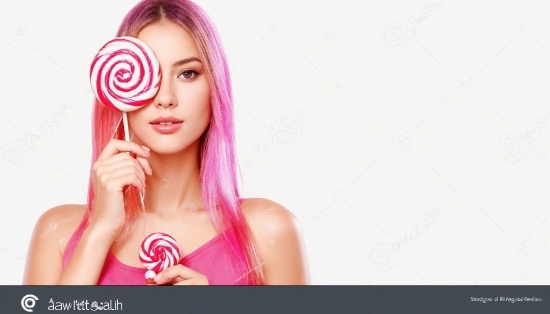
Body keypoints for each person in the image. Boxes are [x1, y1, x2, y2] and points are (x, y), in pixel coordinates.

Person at [23, 0, 309, 285]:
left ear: (215, 87)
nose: (166, 98)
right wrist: (100, 229)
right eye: (150, 75)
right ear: (117, 89)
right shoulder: (58, 233)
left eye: (188, 73)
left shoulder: (268, 232)